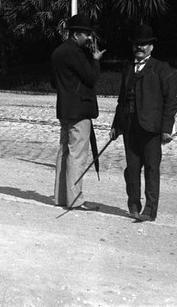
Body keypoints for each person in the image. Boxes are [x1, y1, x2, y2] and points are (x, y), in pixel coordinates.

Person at [110, 24, 177, 222]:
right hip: (130, 128)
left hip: (151, 129)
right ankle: (133, 205)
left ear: (151, 47)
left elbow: (171, 101)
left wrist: (166, 129)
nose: (139, 48)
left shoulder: (161, 69)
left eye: (144, 45)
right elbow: (121, 100)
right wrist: (116, 126)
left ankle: (150, 209)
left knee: (151, 168)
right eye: (136, 45)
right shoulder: (128, 69)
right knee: (132, 168)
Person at [50, 16, 104, 210]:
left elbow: (54, 83)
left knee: (64, 151)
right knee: (77, 156)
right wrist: (95, 60)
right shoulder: (76, 52)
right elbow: (91, 77)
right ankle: (75, 199)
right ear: (76, 34)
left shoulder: (57, 52)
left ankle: (61, 197)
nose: (89, 38)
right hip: (80, 110)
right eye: (87, 34)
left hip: (64, 108)